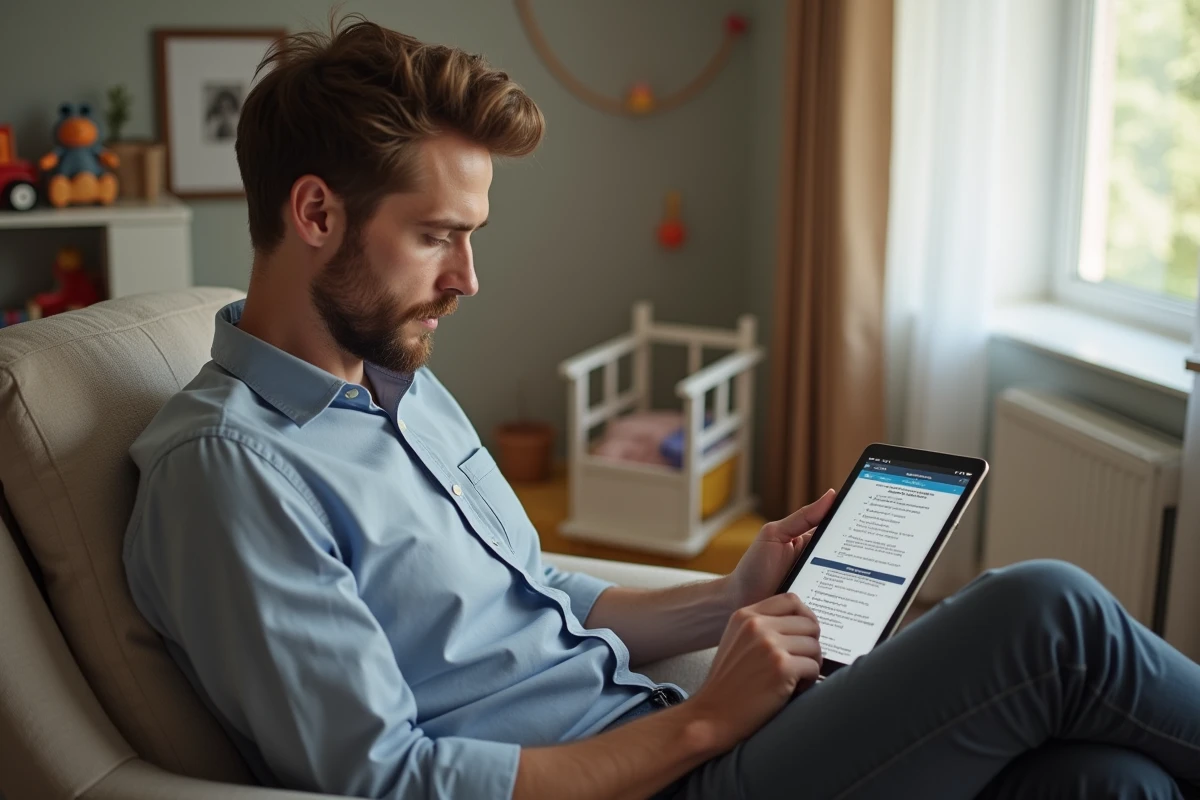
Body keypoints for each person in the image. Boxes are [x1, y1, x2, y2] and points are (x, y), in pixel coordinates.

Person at [123, 16, 1200, 800]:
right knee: (1044, 614)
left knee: (1108, 779)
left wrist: (723, 598)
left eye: (473, 235)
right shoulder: (231, 470)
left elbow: (535, 590)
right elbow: (391, 777)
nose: (467, 278)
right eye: (437, 234)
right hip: (664, 777)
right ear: (316, 211)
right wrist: (705, 721)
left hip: (674, 736)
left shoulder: (399, 385)